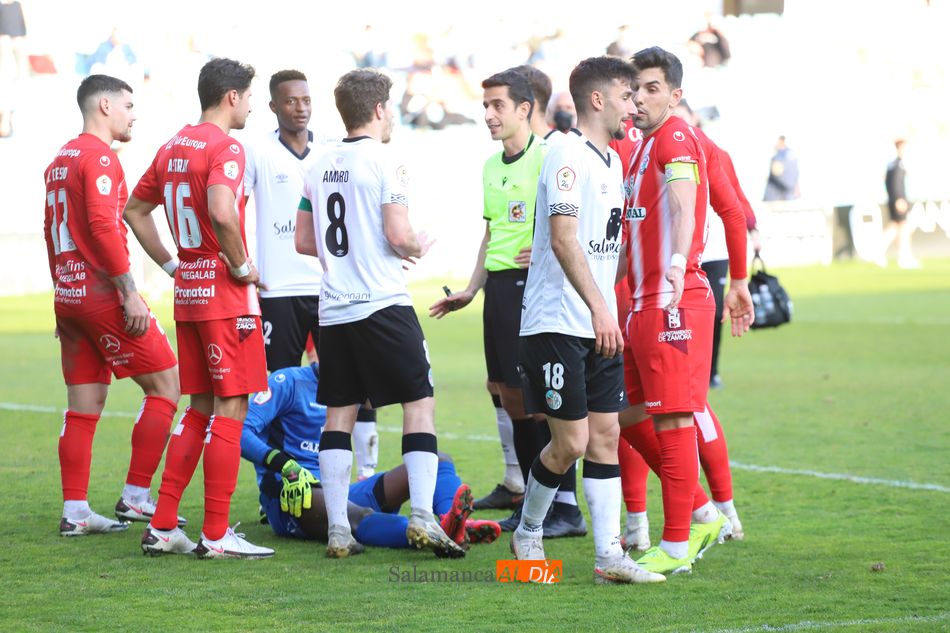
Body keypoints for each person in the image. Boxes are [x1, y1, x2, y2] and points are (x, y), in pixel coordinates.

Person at [294, 68, 463, 559]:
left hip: (335, 309)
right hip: (382, 304)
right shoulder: (389, 161)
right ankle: (425, 519)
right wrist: (417, 244)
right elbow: (397, 234)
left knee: (339, 413)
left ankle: (338, 532)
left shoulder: (318, 164)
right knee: (419, 403)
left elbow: (305, 239)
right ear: (380, 110)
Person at [511, 55, 663, 585]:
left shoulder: (613, 162)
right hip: (557, 323)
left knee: (603, 439)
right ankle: (528, 531)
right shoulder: (565, 154)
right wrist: (603, 306)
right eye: (627, 96)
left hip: (601, 323)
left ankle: (609, 557)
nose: (634, 105)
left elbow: (605, 247)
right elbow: (564, 237)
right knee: (571, 443)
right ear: (597, 100)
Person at [124, 57, 273, 559]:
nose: (252, 105)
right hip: (225, 298)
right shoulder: (226, 146)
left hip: (187, 293)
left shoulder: (172, 145)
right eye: (250, 97)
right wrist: (241, 265)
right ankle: (215, 534)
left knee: (199, 409)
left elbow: (134, 210)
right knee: (232, 408)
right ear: (232, 96)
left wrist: (171, 266)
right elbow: (221, 211)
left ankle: (164, 525)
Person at [622, 46, 754, 575]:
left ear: (675, 95)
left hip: (673, 298)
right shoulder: (637, 148)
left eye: (652, 88)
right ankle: (703, 510)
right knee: (626, 417)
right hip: (638, 305)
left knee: (678, 417)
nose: (640, 98)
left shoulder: (676, 135)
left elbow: (690, 203)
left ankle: (678, 544)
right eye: (635, 89)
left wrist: (682, 261)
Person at [44, 74, 182, 537]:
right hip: (103, 295)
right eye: (127, 105)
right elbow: (104, 230)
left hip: (70, 297)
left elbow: (52, 232)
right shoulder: (99, 157)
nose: (133, 114)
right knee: (167, 384)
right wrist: (128, 291)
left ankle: (76, 511)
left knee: (84, 405)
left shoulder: (59, 160)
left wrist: (60, 295)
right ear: (104, 106)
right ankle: (137, 497)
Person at [243, 69, 378, 478]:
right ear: (273, 106)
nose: (300, 108)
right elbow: (235, 207)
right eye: (290, 101)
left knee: (354, 378)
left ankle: (366, 475)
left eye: (305, 100)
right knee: (274, 387)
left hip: (330, 286)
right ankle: (274, 482)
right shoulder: (257, 152)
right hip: (278, 289)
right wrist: (243, 264)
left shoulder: (331, 151)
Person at [240, 364, 500, 555]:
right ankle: (439, 532)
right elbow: (241, 432)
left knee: (440, 460)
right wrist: (284, 465)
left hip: (340, 490)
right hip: (292, 495)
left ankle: (452, 522)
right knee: (355, 516)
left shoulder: (353, 388)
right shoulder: (287, 381)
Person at [882, 139, 919, 268]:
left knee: (894, 227)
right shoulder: (898, 164)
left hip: (895, 199)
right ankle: (904, 257)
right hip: (899, 200)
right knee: (903, 227)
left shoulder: (893, 164)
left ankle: (879, 251)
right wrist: (898, 199)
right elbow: (895, 183)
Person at [763, 135, 800, 201]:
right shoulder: (792, 156)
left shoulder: (779, 158)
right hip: (787, 195)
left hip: (779, 196)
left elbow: (778, 175)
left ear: (781, 142)